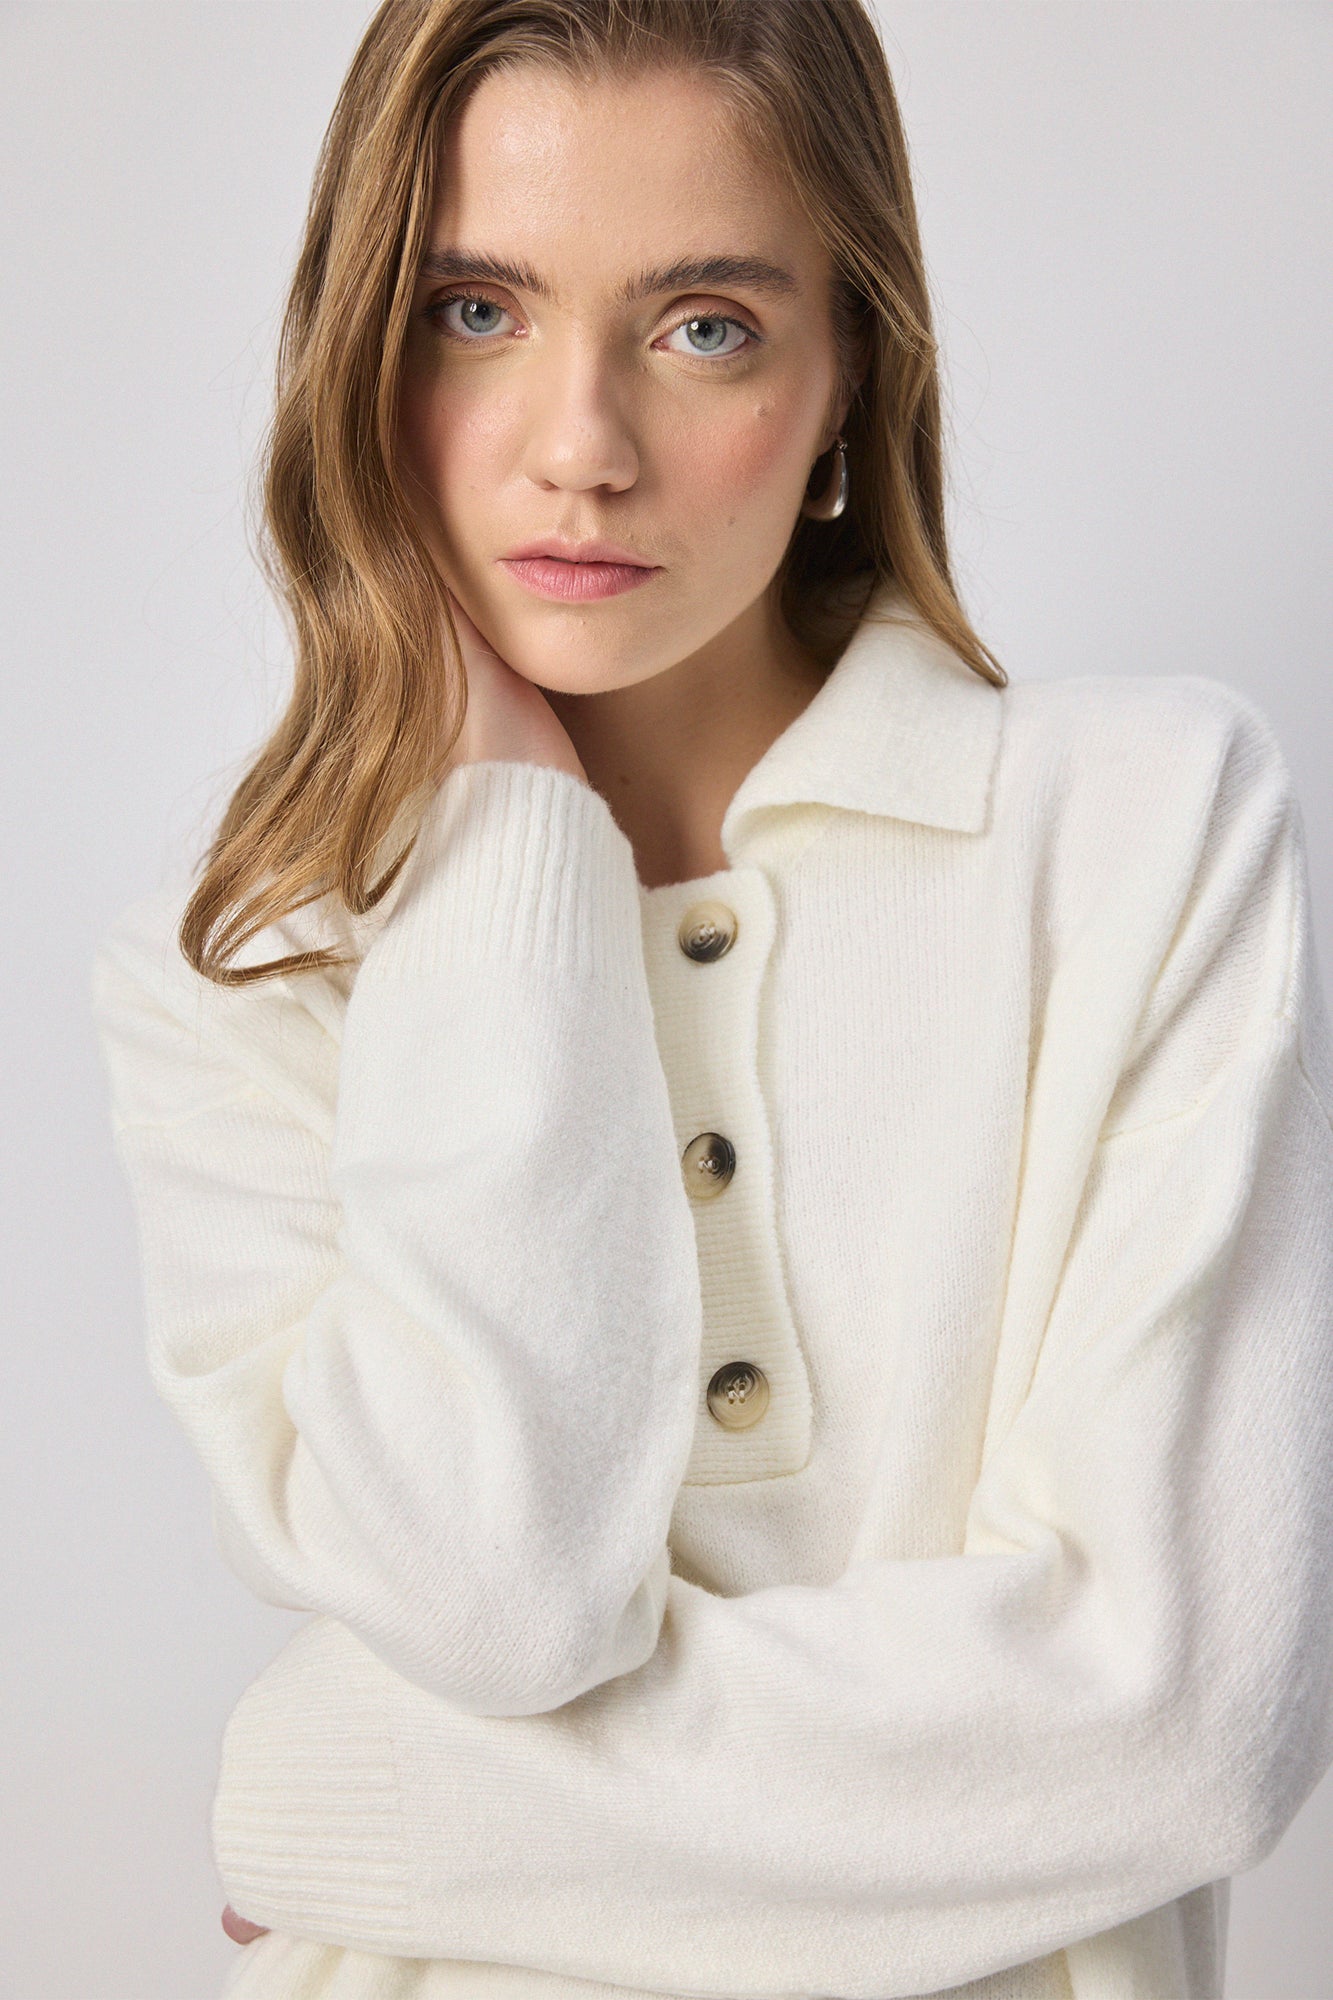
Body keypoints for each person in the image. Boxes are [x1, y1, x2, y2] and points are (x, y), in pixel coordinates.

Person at [90, 2, 1333, 1997]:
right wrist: (503, 836)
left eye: (702, 326)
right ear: (359, 354)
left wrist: (365, 1792)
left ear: (847, 380)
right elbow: (501, 1598)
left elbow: (1175, 1717)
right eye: (475, 312)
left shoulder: (1139, 832)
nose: (579, 448)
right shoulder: (245, 959)